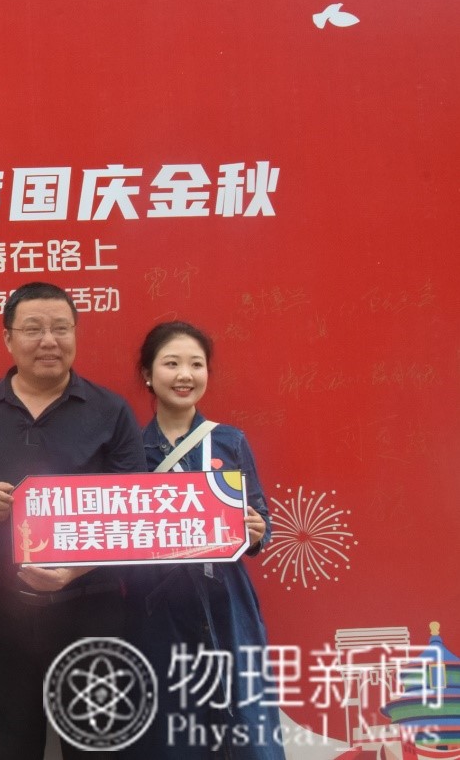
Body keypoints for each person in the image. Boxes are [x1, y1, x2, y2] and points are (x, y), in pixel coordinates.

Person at [0, 282, 146, 760]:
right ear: (8, 339)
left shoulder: (110, 410)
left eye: (61, 328)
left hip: (90, 608)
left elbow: (134, 514)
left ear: (76, 334)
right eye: (33, 329)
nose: (49, 340)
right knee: (11, 748)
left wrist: (74, 569)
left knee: (96, 748)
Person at [131, 321, 285, 758]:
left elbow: (260, 519)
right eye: (171, 363)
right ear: (148, 374)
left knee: (245, 724)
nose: (185, 375)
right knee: (174, 729)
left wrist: (257, 531)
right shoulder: (132, 450)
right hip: (157, 608)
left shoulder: (230, 441)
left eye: (196, 365)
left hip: (226, 603)